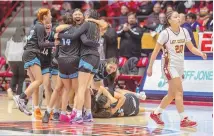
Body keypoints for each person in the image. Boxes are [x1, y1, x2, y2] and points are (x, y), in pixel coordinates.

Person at [147, 11, 207, 128]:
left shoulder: (184, 31)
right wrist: (150, 67)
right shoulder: (165, 33)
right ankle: (183, 119)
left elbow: (191, 47)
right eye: (175, 17)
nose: (178, 18)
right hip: (169, 65)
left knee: (171, 94)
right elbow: (155, 52)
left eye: (179, 16)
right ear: (169, 20)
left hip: (180, 65)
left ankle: (156, 113)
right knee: (179, 92)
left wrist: (200, 53)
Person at [13, 8, 54, 116]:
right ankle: (21, 97)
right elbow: (41, 44)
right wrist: (54, 44)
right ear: (45, 16)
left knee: (35, 83)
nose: (51, 16)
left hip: (28, 53)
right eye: (49, 14)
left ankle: (24, 103)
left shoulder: (38, 27)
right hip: (32, 54)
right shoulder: (40, 26)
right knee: (39, 81)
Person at [5, 26, 26, 98]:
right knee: (21, 76)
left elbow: (7, 50)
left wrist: (7, 60)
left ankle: (10, 89)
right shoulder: (24, 38)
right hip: (20, 59)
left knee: (15, 75)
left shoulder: (11, 38)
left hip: (11, 58)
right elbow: (25, 50)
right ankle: (18, 94)